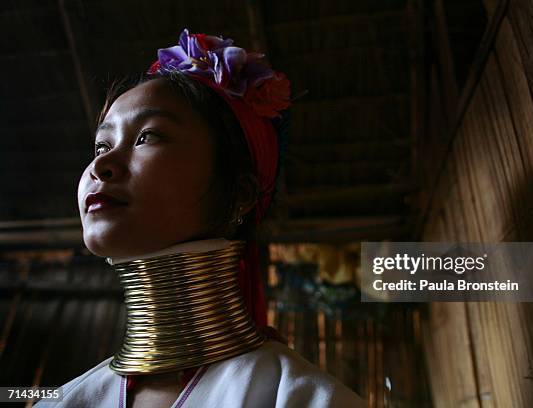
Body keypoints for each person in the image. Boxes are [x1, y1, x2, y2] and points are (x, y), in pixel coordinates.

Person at [34, 29, 364, 408]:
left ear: (239, 194)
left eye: (148, 136)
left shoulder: (301, 399)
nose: (101, 166)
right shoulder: (63, 402)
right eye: (101, 146)